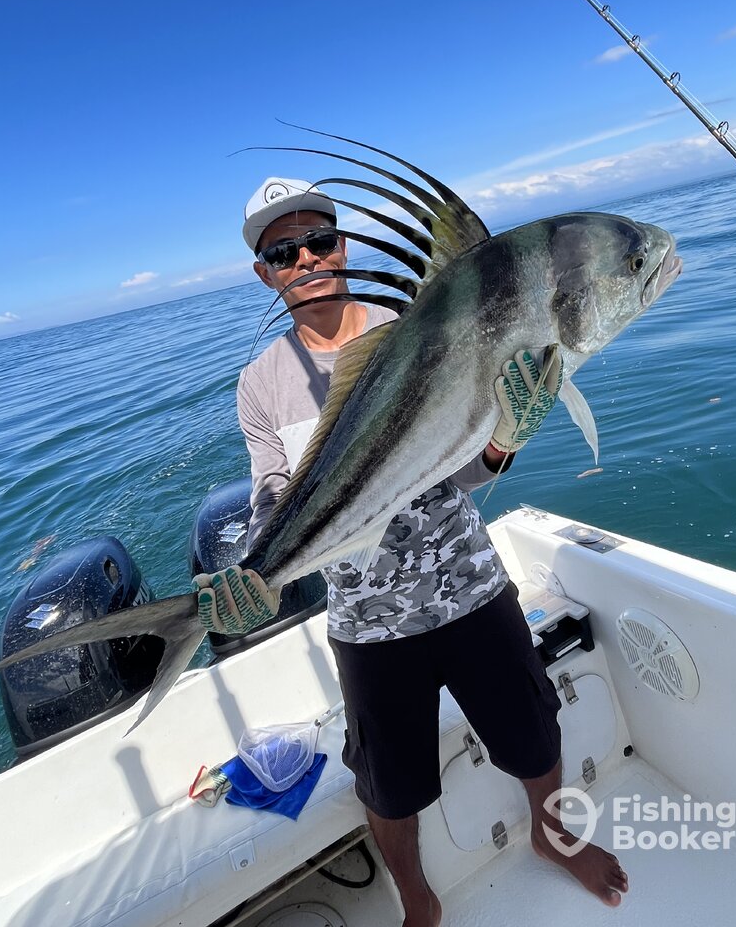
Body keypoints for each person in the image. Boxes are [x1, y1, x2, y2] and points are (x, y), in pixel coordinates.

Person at [195, 177, 629, 925]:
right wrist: (253, 569)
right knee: (389, 787)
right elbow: (272, 492)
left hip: (468, 584)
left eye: (318, 240)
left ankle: (551, 837)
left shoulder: (417, 324)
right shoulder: (260, 384)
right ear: (265, 272)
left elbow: (466, 463)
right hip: (366, 623)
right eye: (284, 252)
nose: (306, 259)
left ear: (342, 246)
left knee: (534, 733)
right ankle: (417, 897)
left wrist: (504, 440)